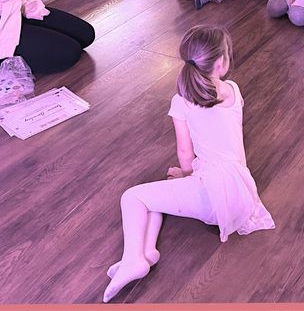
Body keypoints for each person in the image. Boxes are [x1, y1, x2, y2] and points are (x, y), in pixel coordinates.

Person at [103, 25, 274, 302]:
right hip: (241, 192)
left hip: (212, 198)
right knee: (156, 199)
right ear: (221, 62)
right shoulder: (233, 89)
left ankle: (131, 258)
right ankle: (146, 253)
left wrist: (186, 175)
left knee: (133, 197)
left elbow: (185, 152)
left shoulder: (181, 100)